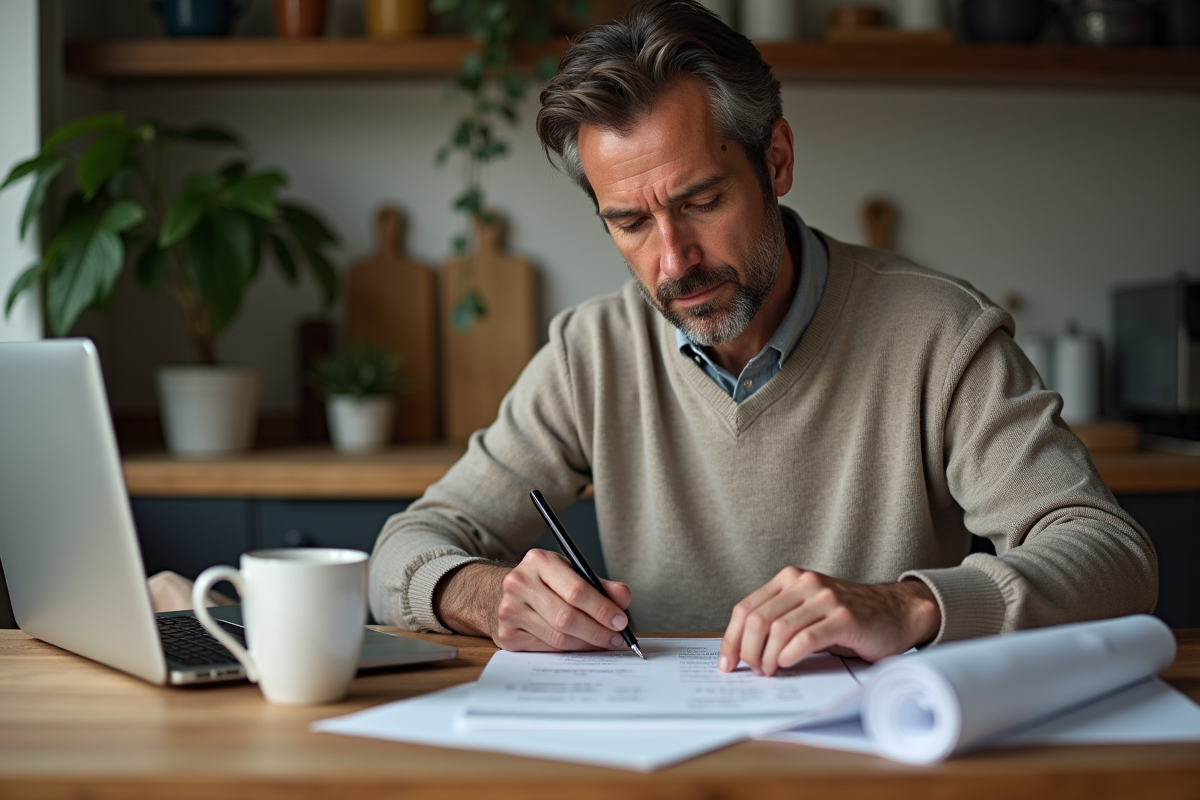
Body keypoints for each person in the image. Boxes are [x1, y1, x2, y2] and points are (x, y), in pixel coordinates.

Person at [369, 0, 1156, 676]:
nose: (673, 261)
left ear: (774, 160)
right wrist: (485, 597)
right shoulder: (591, 353)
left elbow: (1112, 558)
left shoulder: (940, 334)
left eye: (701, 200)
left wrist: (910, 605)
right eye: (631, 223)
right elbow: (406, 549)